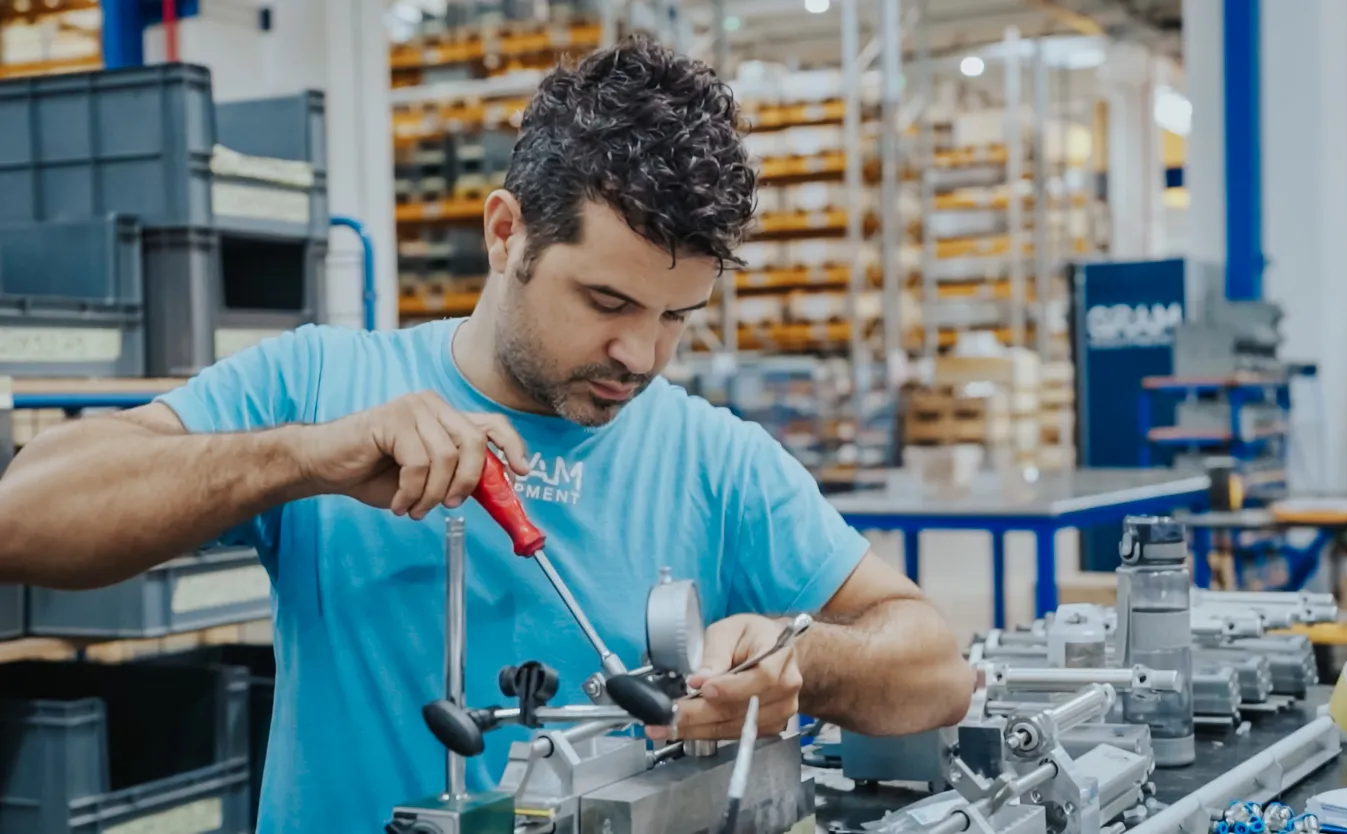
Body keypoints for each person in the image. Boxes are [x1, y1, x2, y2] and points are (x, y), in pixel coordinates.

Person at [0, 37, 975, 832]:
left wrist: (803, 664)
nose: (640, 354)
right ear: (506, 232)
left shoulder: (715, 461)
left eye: (678, 317)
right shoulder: (320, 384)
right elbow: (25, 518)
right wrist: (301, 459)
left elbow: (935, 666)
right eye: (606, 299)